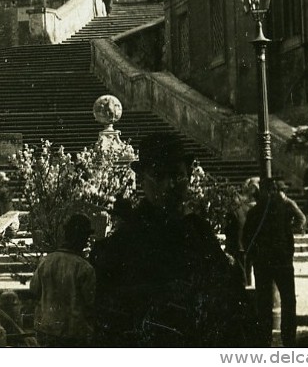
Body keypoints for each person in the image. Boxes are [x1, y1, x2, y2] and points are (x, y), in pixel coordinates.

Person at [92, 132, 251, 346]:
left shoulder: (200, 233)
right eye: (158, 175)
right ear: (141, 179)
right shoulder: (124, 242)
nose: (169, 185)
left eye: (177, 175)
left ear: (189, 177)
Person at [243, 178, 306, 347]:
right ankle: (289, 339)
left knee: (263, 303)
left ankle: (264, 340)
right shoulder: (285, 206)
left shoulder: (255, 211)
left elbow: (246, 238)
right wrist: (290, 233)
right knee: (288, 300)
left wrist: (255, 255)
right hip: (283, 261)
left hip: (262, 263)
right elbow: (302, 219)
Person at [28, 212, 96, 346]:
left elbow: (34, 291)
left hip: (46, 330)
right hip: (73, 334)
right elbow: (90, 303)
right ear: (81, 238)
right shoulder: (84, 268)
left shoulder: (46, 262)